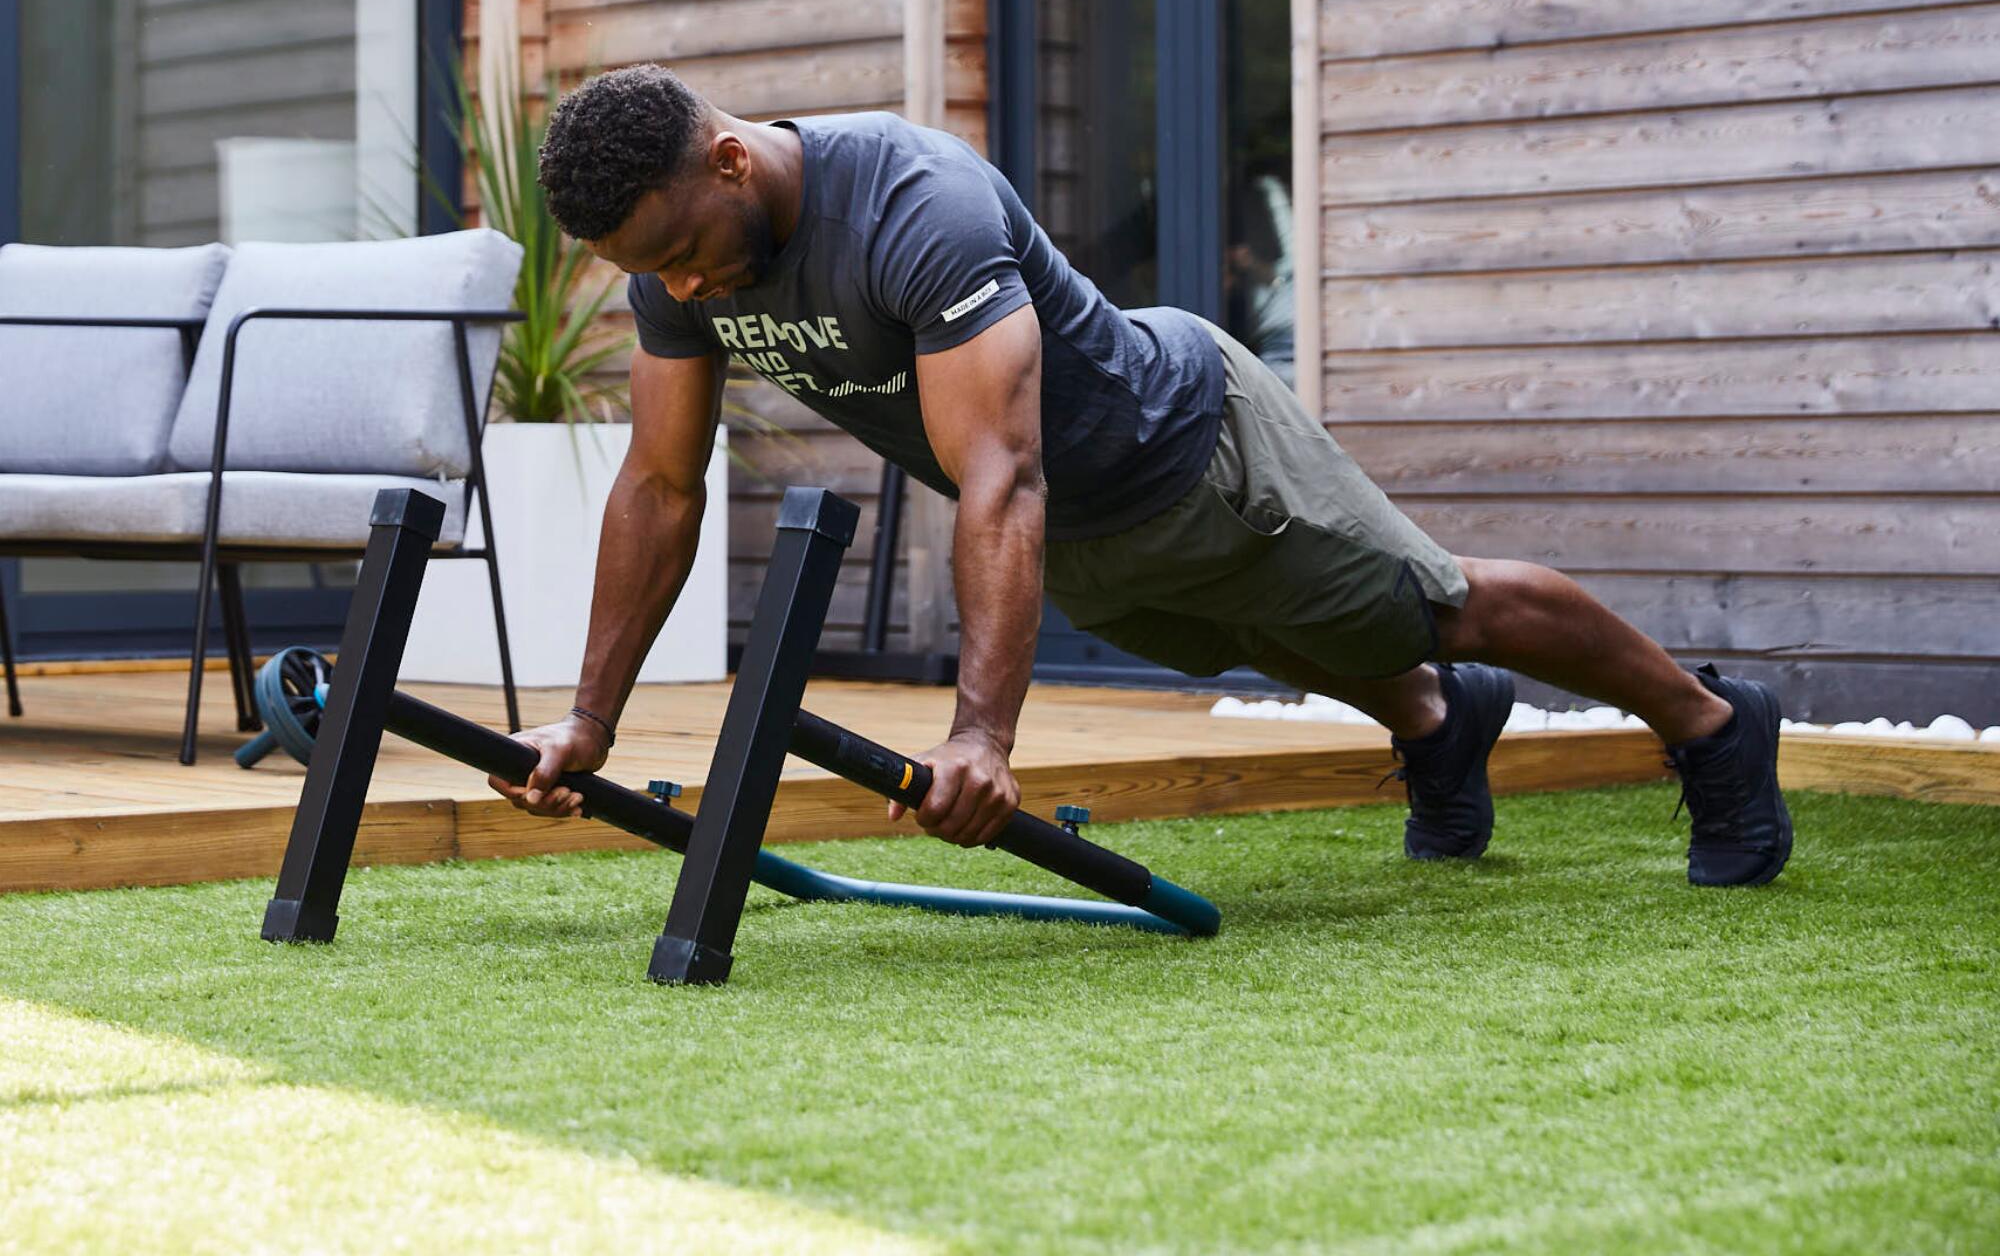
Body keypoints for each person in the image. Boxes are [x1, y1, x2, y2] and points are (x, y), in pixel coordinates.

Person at [491, 64, 1790, 888]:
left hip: (1195, 443)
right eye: (646, 271)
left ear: (727, 160)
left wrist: (981, 737)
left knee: (1430, 601)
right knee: (1247, 638)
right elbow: (659, 486)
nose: (680, 289)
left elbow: (999, 471)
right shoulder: (682, 272)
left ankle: (1714, 728)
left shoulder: (911, 204)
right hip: (1097, 537)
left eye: (682, 251)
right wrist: (588, 722)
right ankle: (1442, 725)